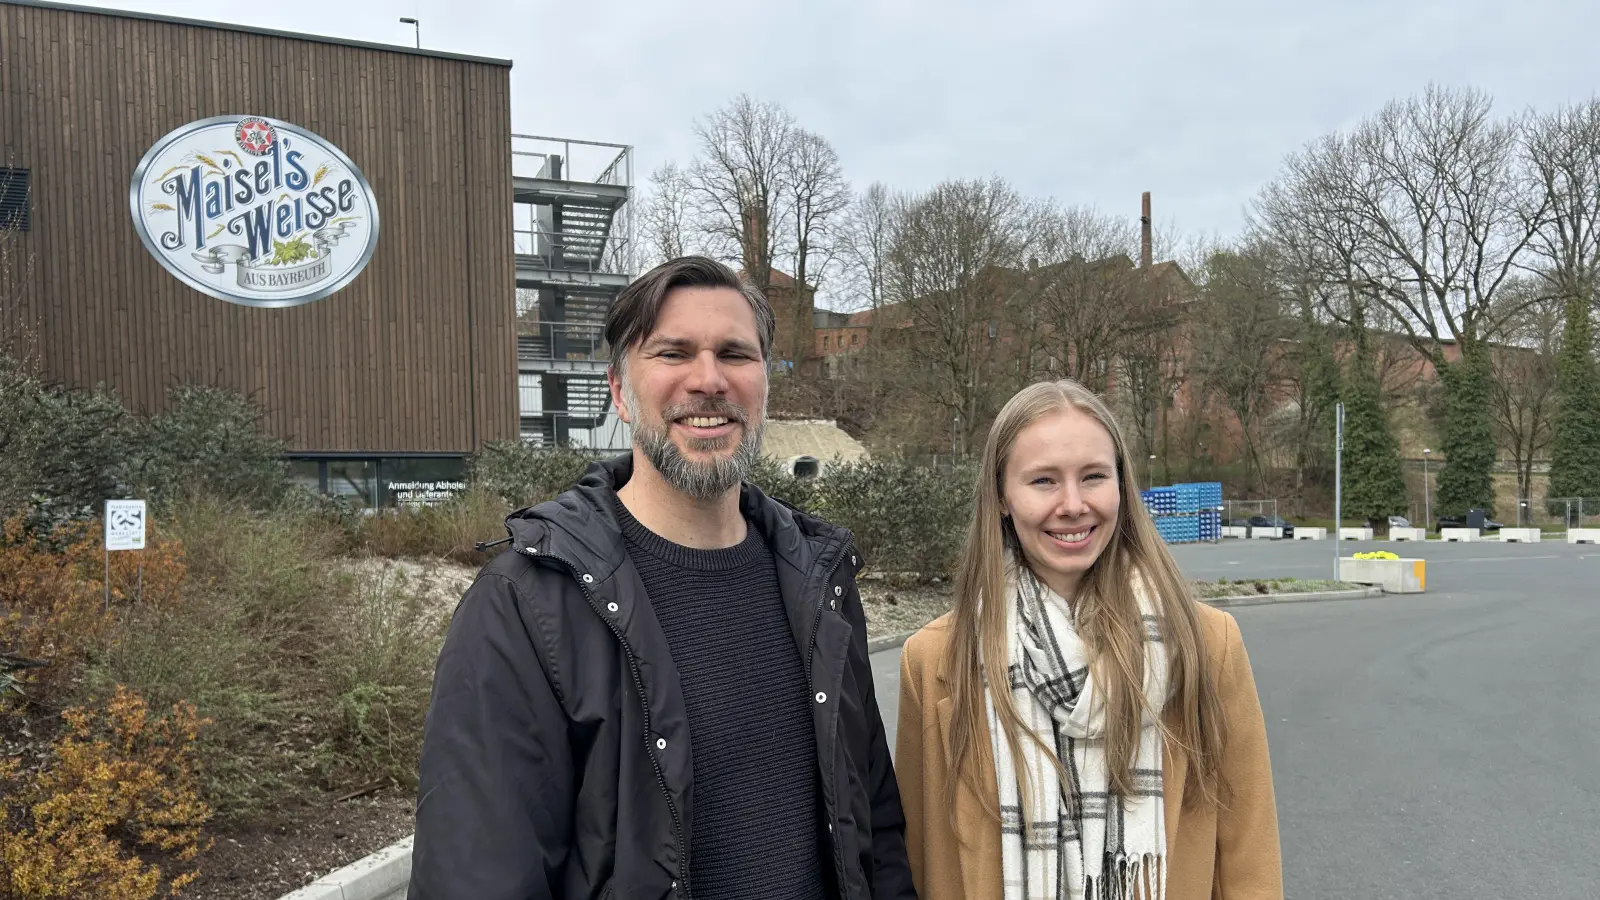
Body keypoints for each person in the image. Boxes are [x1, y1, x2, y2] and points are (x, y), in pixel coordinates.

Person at [408, 256, 917, 900]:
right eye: (673, 353)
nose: (709, 380)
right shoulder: (525, 606)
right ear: (620, 391)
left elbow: (875, 832)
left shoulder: (823, 585)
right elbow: (475, 876)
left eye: (735, 354)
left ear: (765, 382)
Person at [894, 379, 1282, 900]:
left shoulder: (1206, 644)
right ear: (1002, 497)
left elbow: (1248, 859)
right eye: (1044, 481)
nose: (1073, 505)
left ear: (1121, 485)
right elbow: (924, 859)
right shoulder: (936, 659)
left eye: (1093, 476)